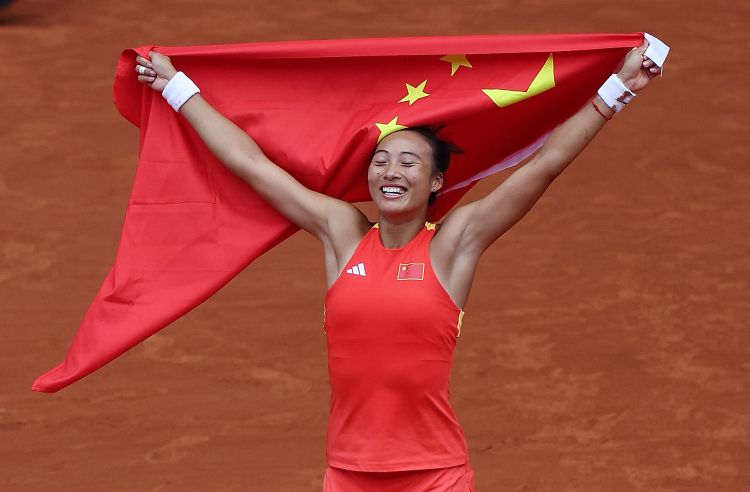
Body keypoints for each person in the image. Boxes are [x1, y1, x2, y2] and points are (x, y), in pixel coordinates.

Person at [134, 39, 661, 491]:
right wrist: (178, 87)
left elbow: (544, 165)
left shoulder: (454, 245)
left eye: (409, 162)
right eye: (381, 160)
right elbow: (252, 165)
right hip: (347, 474)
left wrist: (619, 88)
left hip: (436, 475)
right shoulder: (341, 234)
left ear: (435, 183)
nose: (391, 170)